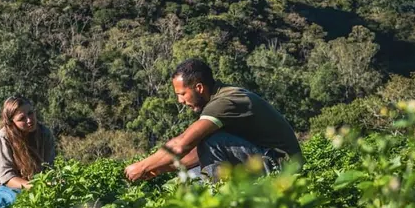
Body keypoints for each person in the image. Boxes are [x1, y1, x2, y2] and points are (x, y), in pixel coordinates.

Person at [125, 59, 304, 182]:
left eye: (182, 94)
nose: (180, 101)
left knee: (210, 142)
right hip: (263, 160)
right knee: (193, 174)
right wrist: (158, 169)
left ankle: (222, 207)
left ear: (199, 87)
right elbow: (197, 154)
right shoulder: (217, 102)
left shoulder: (224, 102)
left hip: (281, 167)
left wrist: (141, 166)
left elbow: (182, 145)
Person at [0, 95, 56, 208]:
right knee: (19, 200)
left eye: (31, 113)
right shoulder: (4, 136)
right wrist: (37, 187)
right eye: (22, 119)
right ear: (12, 122)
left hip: (29, 187)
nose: (29, 120)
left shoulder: (44, 134)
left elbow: (48, 169)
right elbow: (7, 178)